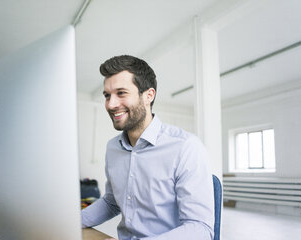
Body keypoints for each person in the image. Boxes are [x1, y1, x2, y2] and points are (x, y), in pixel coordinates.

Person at [81, 55, 214, 240]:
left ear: (148, 95)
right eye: (107, 95)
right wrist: (72, 221)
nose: (111, 104)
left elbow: (200, 229)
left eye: (121, 93)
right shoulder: (113, 148)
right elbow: (112, 202)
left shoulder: (185, 147)